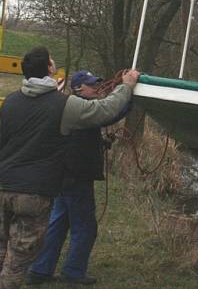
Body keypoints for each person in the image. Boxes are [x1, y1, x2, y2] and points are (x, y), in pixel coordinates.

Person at [0, 48, 139, 289]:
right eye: (52, 61)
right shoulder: (64, 105)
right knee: (20, 255)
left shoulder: (9, 101)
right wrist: (126, 86)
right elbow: (105, 110)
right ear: (49, 69)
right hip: (33, 191)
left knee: (1, 242)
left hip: (3, 186)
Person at [26, 71, 131, 286]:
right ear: (79, 88)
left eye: (97, 84)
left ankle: (40, 270)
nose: (97, 88)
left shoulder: (75, 108)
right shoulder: (81, 109)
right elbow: (111, 114)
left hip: (65, 177)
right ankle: (73, 272)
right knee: (85, 227)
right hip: (76, 178)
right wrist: (129, 91)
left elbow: (110, 113)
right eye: (92, 85)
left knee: (58, 223)